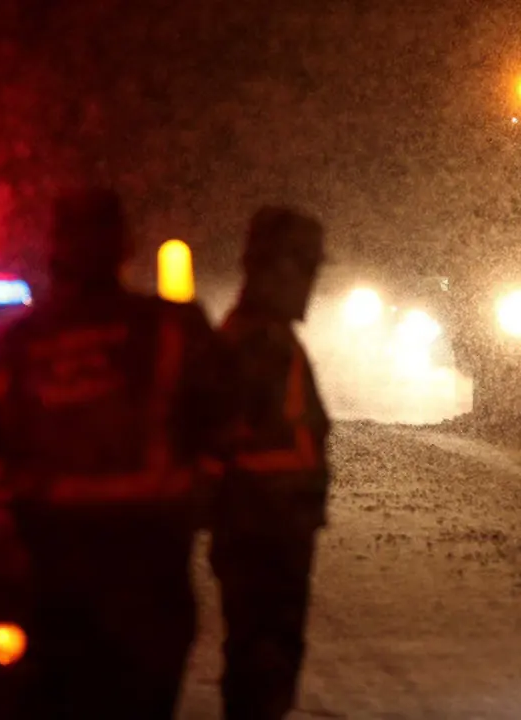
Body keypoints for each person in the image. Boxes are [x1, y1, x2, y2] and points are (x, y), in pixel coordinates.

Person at [0, 187, 230, 718]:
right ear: (125, 245)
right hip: (148, 571)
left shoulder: (13, 347)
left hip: (54, 576)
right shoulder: (173, 329)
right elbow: (222, 430)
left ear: (54, 248)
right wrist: (202, 503)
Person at [211, 206, 332, 720]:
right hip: (263, 533)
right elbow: (229, 446)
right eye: (305, 268)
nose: (309, 285)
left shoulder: (267, 338)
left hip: (271, 530)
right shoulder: (255, 343)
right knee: (262, 665)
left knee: (266, 660)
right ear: (275, 268)